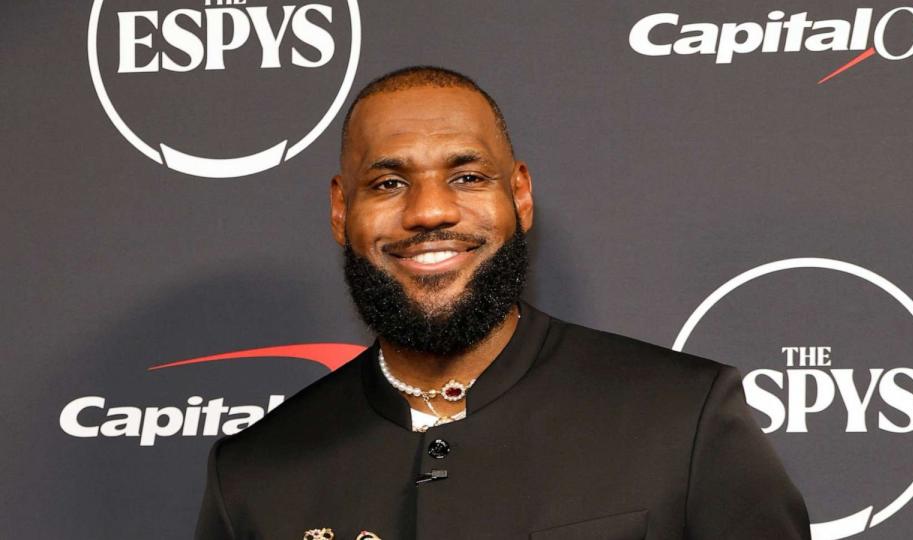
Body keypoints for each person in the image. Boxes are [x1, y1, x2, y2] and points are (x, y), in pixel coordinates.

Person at [195, 66, 810, 539]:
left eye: (467, 177)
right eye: (388, 183)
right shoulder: (254, 474)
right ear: (340, 210)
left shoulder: (685, 419)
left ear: (519, 195)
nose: (430, 211)